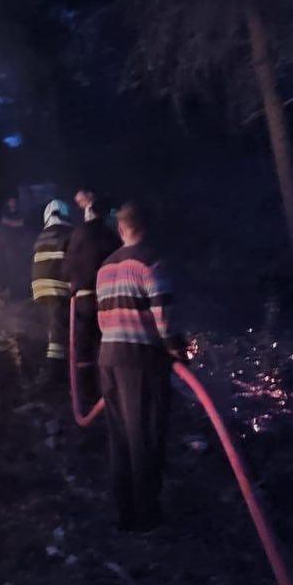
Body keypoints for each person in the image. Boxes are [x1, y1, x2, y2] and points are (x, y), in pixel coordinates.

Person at [95, 202, 184, 532]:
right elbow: (164, 317)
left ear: (121, 230)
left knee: (120, 438)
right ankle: (147, 513)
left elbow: (103, 317)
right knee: (144, 435)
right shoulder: (151, 262)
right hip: (141, 361)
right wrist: (176, 349)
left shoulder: (104, 267)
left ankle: (125, 513)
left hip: (109, 359)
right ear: (145, 227)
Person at [64, 189, 121, 409]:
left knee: (85, 348)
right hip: (108, 299)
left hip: (84, 299)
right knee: (106, 345)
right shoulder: (111, 236)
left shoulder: (79, 233)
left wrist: (72, 282)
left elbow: (68, 265)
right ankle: (111, 391)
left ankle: (88, 394)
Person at [31, 199, 74, 382]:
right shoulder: (69, 234)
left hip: (39, 289)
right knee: (59, 331)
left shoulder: (41, 236)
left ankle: (48, 366)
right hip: (59, 287)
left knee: (51, 328)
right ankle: (54, 373)